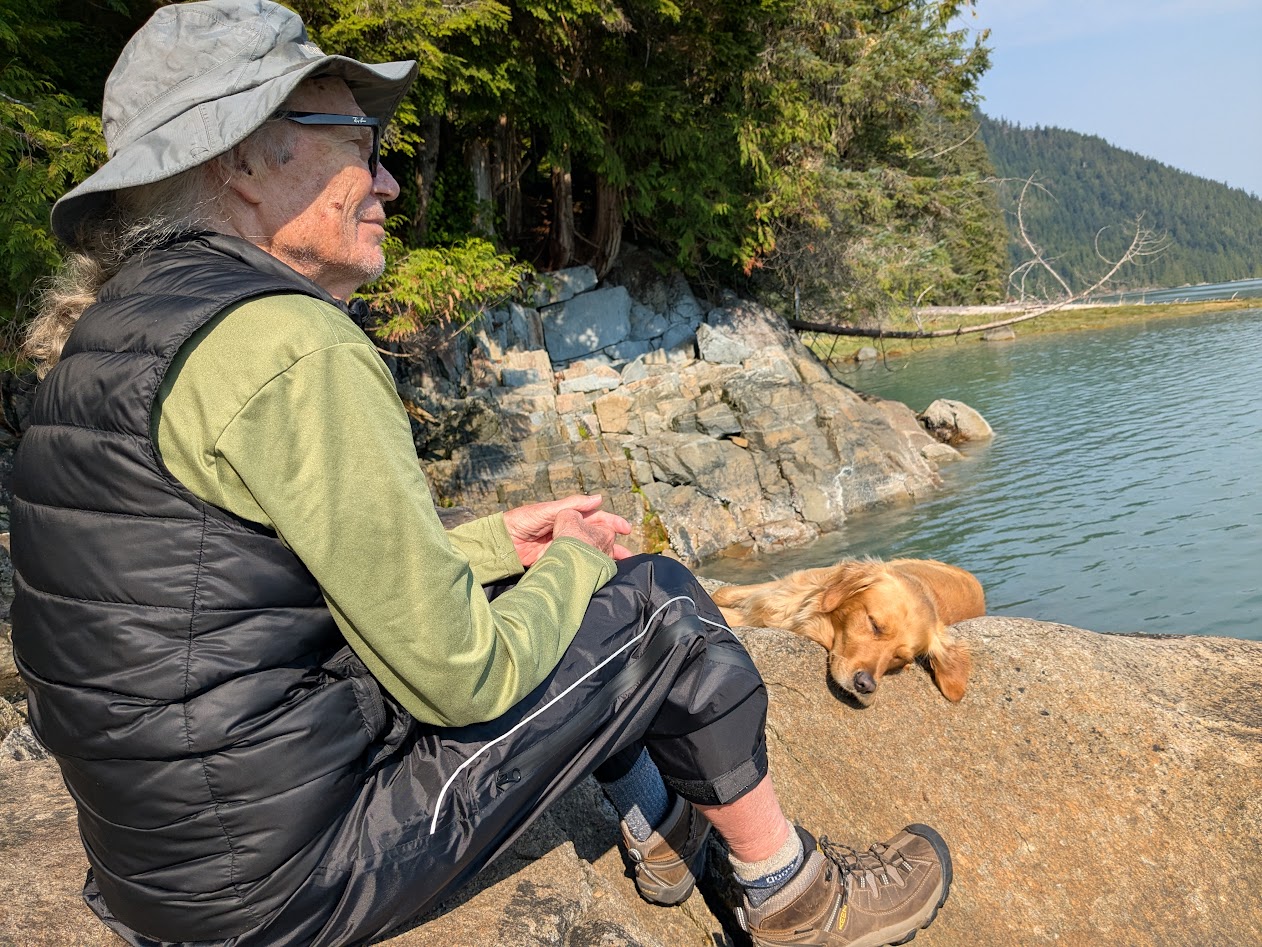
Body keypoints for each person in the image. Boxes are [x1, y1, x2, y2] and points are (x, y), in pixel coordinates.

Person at [10, 2, 952, 945]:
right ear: (243, 162)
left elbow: (244, 593)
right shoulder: (288, 343)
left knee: (538, 597)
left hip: (163, 876)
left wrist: (501, 545)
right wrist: (575, 560)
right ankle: (793, 894)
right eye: (358, 142)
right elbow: (463, 677)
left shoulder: (102, 344)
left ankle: (664, 827)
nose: (387, 180)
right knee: (655, 606)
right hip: (283, 886)